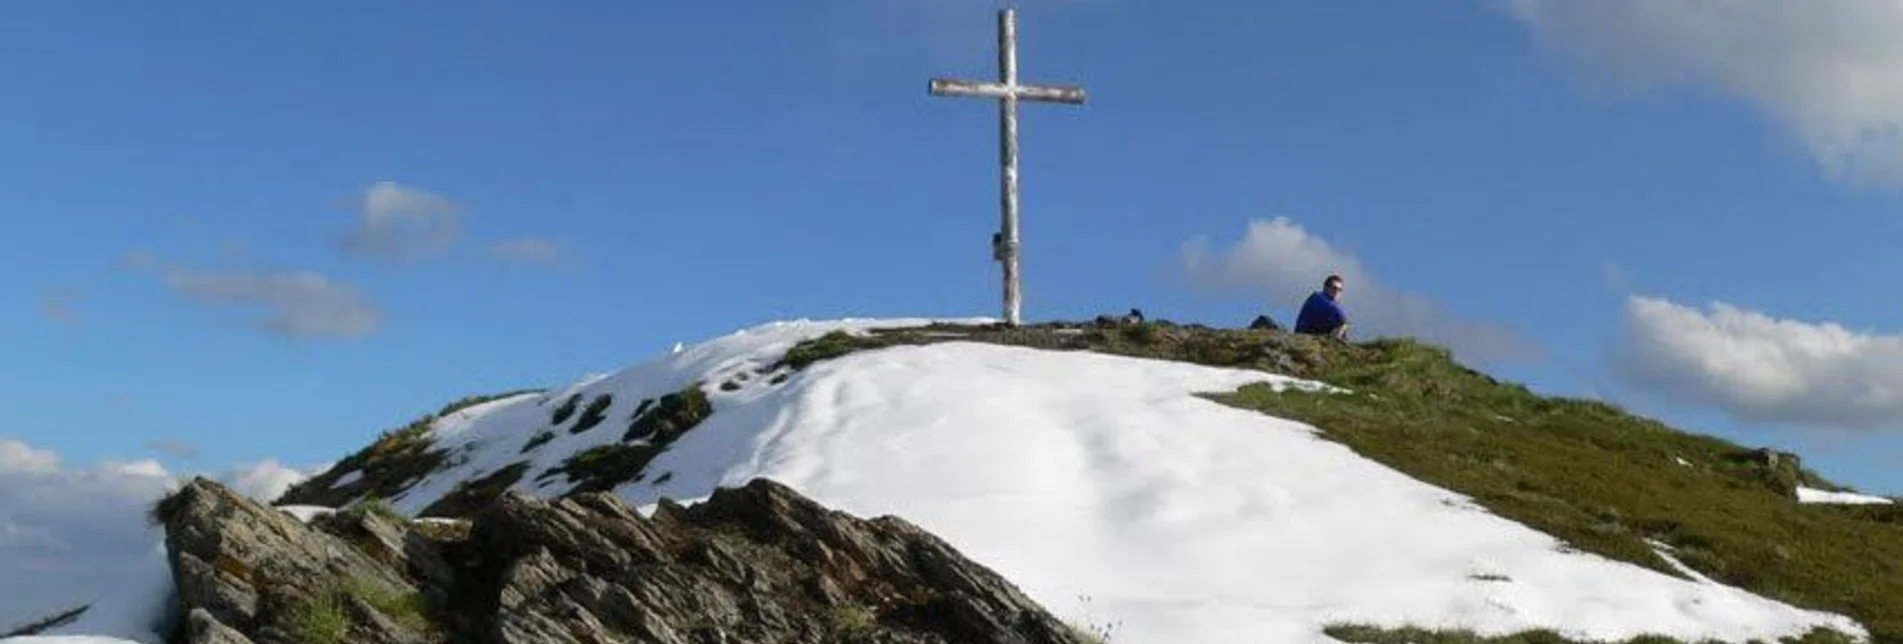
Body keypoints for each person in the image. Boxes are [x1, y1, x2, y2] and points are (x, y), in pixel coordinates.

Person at [1294, 275, 1350, 341]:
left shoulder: (1330, 303)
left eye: (1340, 290)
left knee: (1340, 327)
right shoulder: (1318, 298)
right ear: (1325, 288)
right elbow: (1341, 317)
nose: (1337, 292)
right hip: (1304, 337)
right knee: (1342, 323)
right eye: (1334, 288)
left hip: (1315, 336)